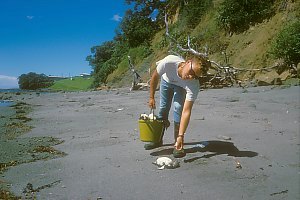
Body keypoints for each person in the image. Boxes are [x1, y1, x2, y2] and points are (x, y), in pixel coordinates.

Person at [146, 54, 210, 158]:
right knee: (163, 108)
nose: (190, 77)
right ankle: (157, 140)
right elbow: (155, 77)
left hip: (181, 87)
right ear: (188, 62)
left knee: (178, 108)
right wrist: (151, 97)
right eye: (191, 72)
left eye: (195, 76)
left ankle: (178, 143)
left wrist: (181, 135)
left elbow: (186, 111)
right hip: (166, 81)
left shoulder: (193, 84)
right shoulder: (169, 62)